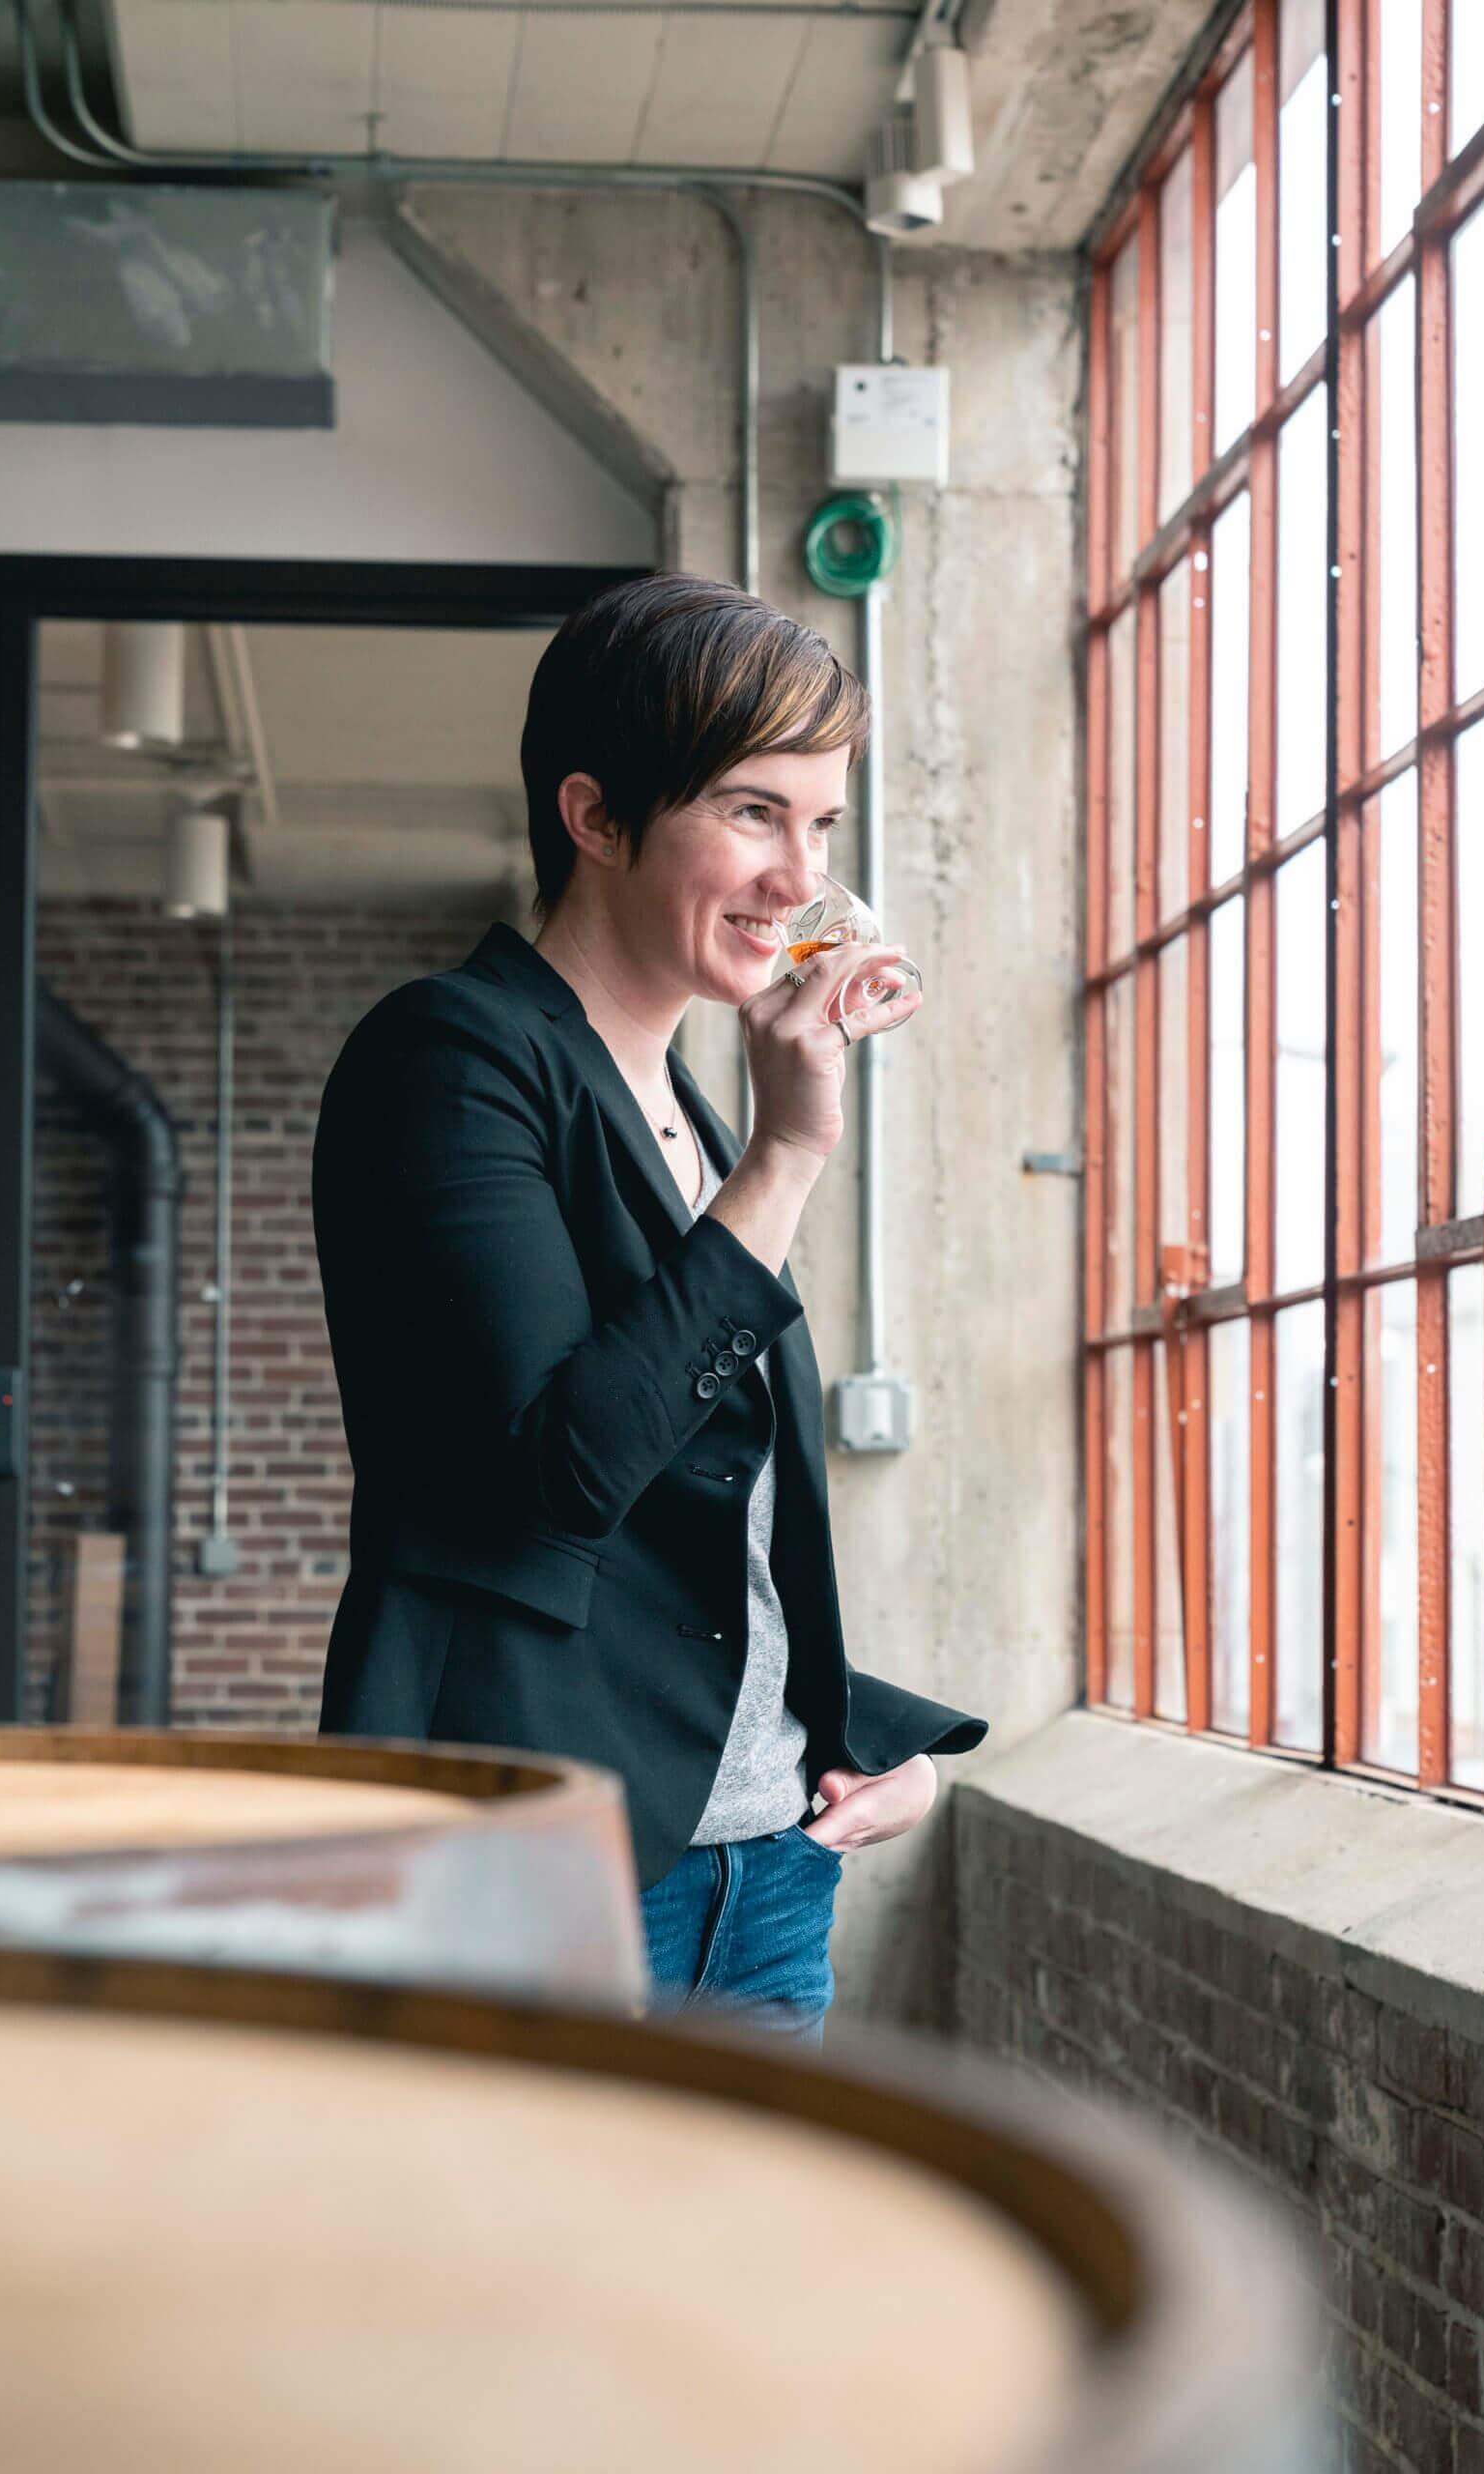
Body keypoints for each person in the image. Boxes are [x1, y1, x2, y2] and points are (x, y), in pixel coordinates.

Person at [312, 573, 986, 2044]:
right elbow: (556, 1478)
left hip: (768, 1871)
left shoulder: (680, 1107)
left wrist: (857, 1742)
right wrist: (791, 1153)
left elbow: (705, 1531)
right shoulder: (452, 1062)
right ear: (597, 816)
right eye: (752, 814)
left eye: (820, 828)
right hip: (546, 1869)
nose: (796, 879)